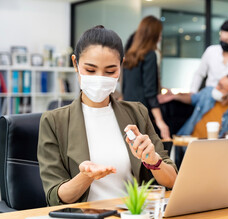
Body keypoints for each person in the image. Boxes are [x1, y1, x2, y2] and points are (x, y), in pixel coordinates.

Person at [37, 25, 177, 206]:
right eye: (90, 70)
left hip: (134, 218)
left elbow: (173, 180)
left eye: (110, 71)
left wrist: (154, 161)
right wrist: (86, 177)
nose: (100, 78)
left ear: (121, 66)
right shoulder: (54, 122)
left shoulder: (137, 113)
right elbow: (55, 197)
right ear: (75, 63)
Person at [122, 16, 170, 140]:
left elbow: (129, 85)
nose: (160, 37)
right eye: (159, 33)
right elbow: (149, 92)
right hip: (142, 113)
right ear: (153, 34)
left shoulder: (130, 55)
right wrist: (160, 121)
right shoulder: (150, 55)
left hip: (128, 110)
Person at [159, 73, 228, 138]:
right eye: (218, 84)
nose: (216, 88)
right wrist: (174, 96)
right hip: (187, 140)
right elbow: (193, 98)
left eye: (221, 87)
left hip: (211, 150)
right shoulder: (208, 92)